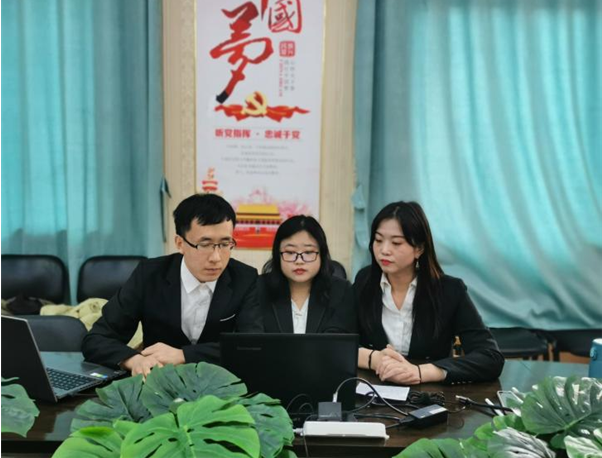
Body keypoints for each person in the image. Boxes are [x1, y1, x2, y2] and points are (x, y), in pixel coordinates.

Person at [82, 193, 262, 377]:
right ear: (180, 243)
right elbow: (97, 339)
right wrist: (134, 360)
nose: (216, 258)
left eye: (224, 244)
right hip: (158, 382)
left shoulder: (245, 278)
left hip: (219, 384)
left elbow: (253, 346)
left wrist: (184, 355)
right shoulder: (149, 275)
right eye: (204, 244)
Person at [354, 201, 504, 385]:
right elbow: (339, 342)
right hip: (374, 389)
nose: (384, 250)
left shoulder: (449, 291)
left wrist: (421, 372)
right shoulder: (364, 282)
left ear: (419, 249)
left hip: (429, 393)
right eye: (378, 240)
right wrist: (374, 359)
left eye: (396, 243)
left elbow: (490, 357)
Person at [259, 215, 357, 334]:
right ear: (277, 254)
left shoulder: (341, 291)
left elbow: (339, 339)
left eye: (309, 252)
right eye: (290, 252)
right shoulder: (258, 289)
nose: (299, 261)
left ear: (322, 254)